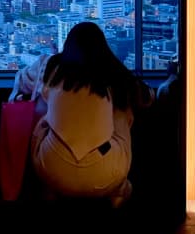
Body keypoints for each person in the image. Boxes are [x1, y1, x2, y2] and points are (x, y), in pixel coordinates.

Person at [10, 22, 153, 206]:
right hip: (106, 172)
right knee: (120, 110)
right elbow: (147, 98)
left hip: (51, 167)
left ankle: (48, 190)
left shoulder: (49, 66)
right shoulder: (113, 74)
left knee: (45, 104)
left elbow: (21, 80)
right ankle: (118, 190)